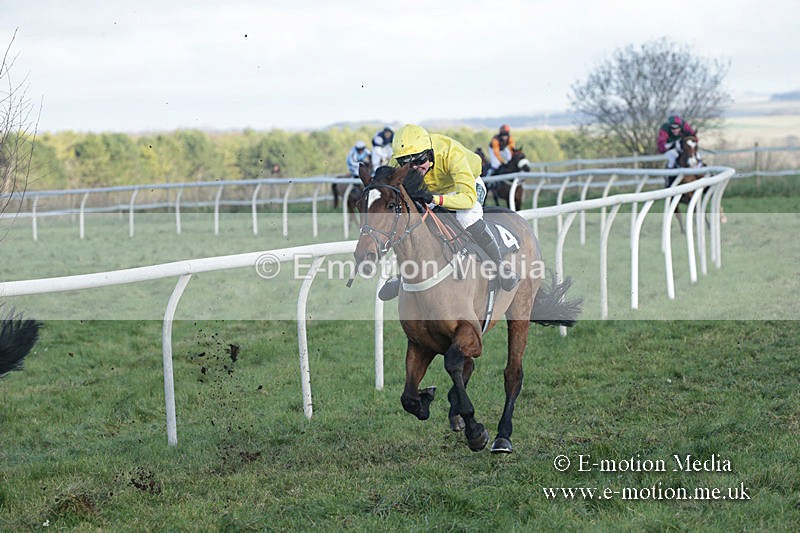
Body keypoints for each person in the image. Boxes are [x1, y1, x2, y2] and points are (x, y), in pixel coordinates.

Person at [378, 124, 519, 301]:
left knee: (466, 217)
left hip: (465, 186)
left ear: (429, 153)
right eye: (406, 163)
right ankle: (404, 275)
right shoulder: (398, 161)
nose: (414, 168)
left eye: (419, 160)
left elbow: (467, 198)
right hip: (430, 191)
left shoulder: (450, 153)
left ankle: (500, 267)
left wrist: (434, 200)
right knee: (413, 223)